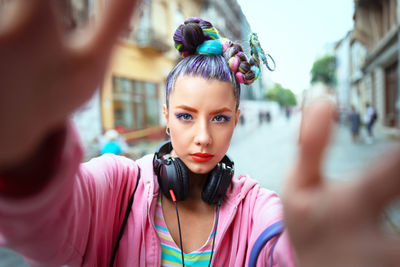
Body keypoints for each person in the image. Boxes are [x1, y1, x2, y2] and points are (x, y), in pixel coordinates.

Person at [0, 2, 400, 267]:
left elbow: (283, 245)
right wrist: (25, 152)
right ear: (166, 118)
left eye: (220, 118)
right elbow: (48, 221)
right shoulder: (118, 188)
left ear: (239, 119)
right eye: (186, 116)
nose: (203, 138)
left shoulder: (256, 209)